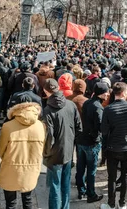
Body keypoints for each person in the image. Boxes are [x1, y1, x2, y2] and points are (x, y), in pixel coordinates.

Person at [42, 78, 82, 209]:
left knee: (55, 186)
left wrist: (46, 154)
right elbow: (79, 127)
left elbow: (49, 137)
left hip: (55, 154)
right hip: (68, 151)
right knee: (65, 185)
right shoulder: (71, 104)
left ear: (46, 91)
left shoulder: (47, 110)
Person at [0, 102, 45, 209]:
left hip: (10, 168)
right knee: (28, 200)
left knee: (11, 203)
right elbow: (43, 149)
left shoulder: (7, 126)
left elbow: (1, 150)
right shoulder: (41, 126)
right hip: (31, 168)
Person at [76, 83, 109, 203]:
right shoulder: (98, 107)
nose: (108, 94)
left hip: (81, 140)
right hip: (91, 143)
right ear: (101, 94)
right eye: (106, 92)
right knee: (91, 170)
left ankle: (81, 190)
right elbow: (100, 127)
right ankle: (91, 194)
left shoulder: (87, 102)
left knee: (80, 167)